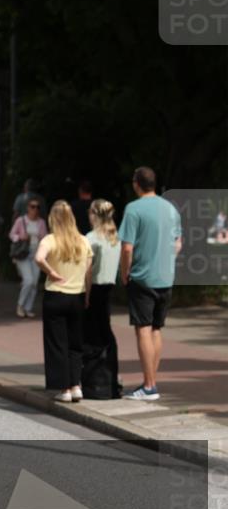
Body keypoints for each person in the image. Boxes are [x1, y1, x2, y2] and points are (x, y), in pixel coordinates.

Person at [118, 166, 182, 400]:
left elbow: (126, 247)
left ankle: (148, 385)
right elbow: (177, 243)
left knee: (143, 329)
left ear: (136, 183)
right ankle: (151, 382)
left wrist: (124, 273)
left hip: (142, 277)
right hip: (165, 277)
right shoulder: (170, 209)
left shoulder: (133, 209)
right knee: (156, 328)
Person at [35, 201, 93, 402]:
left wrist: (51, 273)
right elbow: (88, 271)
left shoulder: (49, 240)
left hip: (56, 296)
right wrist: (87, 295)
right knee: (75, 343)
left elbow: (39, 258)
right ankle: (77, 385)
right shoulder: (83, 241)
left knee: (57, 343)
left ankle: (64, 388)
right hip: (77, 296)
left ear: (53, 218)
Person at [83, 199, 121, 396]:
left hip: (95, 288)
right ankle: (111, 377)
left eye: (90, 212)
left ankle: (93, 380)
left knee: (91, 335)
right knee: (107, 333)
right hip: (108, 288)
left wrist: (85, 295)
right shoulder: (115, 237)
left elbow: (88, 271)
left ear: (95, 215)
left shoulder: (91, 238)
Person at [9, 198, 47, 318]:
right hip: (23, 253)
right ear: (27, 208)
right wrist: (20, 237)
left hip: (36, 254)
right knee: (28, 280)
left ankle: (28, 308)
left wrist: (42, 237)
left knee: (34, 283)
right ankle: (20, 305)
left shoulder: (41, 222)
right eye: (32, 206)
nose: (35, 209)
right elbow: (11, 234)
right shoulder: (21, 221)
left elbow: (45, 238)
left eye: (37, 207)